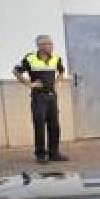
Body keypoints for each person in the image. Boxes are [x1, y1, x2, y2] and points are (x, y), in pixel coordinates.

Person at [14, 35, 68, 163]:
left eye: (51, 43)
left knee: (54, 125)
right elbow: (16, 71)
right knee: (39, 125)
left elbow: (61, 71)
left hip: (51, 96)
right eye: (48, 44)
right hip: (38, 96)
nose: (51, 46)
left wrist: (56, 82)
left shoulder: (56, 58)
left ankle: (54, 153)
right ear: (40, 46)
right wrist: (29, 84)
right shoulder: (30, 58)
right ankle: (40, 155)